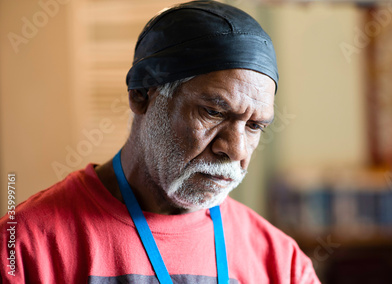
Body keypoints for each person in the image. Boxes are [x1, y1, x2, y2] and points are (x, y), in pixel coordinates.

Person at [0, 1, 321, 283]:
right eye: (213, 112)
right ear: (141, 96)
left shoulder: (282, 264)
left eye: (254, 126)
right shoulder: (23, 249)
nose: (235, 150)